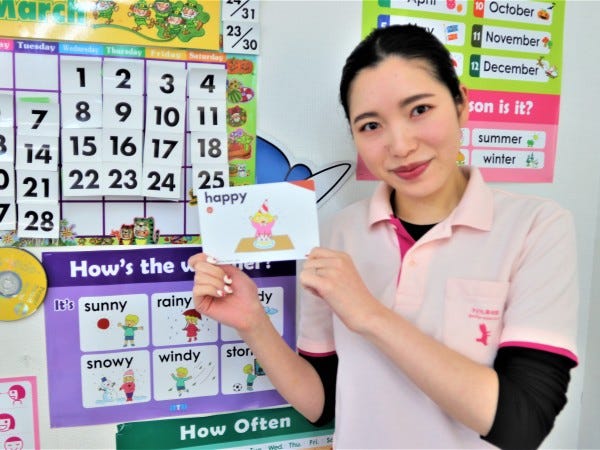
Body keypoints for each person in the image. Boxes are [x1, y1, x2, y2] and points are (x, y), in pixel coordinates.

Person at [189, 24, 579, 449]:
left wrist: (370, 315)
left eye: (419, 109)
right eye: (371, 125)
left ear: (461, 103)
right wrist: (252, 321)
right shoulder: (338, 234)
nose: (400, 145)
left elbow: (523, 423)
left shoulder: (536, 226)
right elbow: (322, 403)